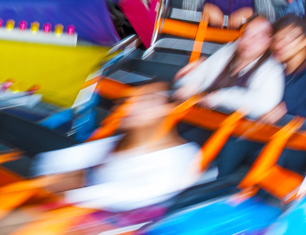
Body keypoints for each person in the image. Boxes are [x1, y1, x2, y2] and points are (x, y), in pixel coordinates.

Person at [32, 83, 203, 212]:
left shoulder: (185, 155)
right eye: (124, 101)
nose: (131, 107)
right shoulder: (116, 143)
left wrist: (74, 192)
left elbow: (136, 196)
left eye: (148, 100)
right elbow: (52, 162)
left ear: (170, 108)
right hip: (81, 216)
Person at [173, 16, 284, 120]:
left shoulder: (272, 68)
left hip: (228, 127)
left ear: (269, 41)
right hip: (194, 112)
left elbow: (263, 103)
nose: (250, 40)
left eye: (260, 36)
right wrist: (191, 85)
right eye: (247, 33)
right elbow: (203, 70)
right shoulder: (231, 49)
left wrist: (220, 98)